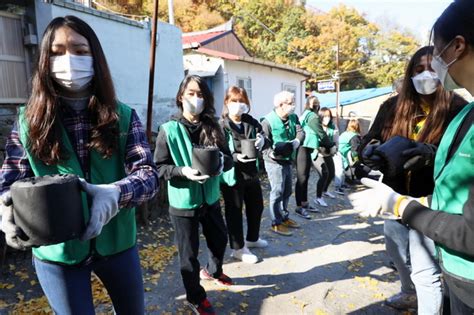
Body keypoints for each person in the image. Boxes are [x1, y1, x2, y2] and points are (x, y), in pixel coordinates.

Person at [0, 16, 159, 314]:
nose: (68, 60)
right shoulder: (27, 122)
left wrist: (117, 191)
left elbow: (149, 175)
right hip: (57, 253)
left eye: (80, 50)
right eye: (57, 52)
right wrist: (4, 208)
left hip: (117, 244)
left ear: (95, 57)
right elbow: (9, 179)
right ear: (44, 61)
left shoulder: (123, 116)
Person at [356, 42, 468, 313]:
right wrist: (366, 151)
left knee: (424, 270)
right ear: (409, 74)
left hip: (430, 201)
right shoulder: (392, 106)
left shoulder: (458, 108)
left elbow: (460, 160)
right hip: (392, 196)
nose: (425, 74)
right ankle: (409, 293)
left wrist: (430, 153)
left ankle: (427, 301)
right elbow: (367, 140)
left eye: (431, 68)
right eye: (418, 69)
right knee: (395, 251)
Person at [154, 75, 234, 315]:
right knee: (188, 257)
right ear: (181, 97)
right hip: (183, 203)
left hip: (210, 198)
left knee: (220, 240)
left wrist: (221, 164)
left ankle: (212, 270)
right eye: (191, 93)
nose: (195, 99)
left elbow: (227, 158)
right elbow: (159, 167)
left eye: (200, 94)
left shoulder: (213, 126)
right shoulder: (168, 130)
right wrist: (182, 172)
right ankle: (195, 297)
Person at [219, 86, 270, 264]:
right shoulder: (222, 125)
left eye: (242, 101)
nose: (238, 105)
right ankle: (238, 248)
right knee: (234, 211)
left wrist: (263, 140)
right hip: (232, 174)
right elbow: (218, 151)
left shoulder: (251, 121)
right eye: (234, 101)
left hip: (251, 173)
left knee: (256, 207)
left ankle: (252, 238)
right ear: (227, 102)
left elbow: (265, 139)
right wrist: (234, 156)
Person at [261, 91, 305, 236]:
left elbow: (300, 132)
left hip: (287, 159)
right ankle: (276, 222)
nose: (293, 106)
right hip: (274, 162)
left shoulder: (293, 117)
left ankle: (284, 217)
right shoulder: (267, 121)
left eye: (293, 102)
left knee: (287, 190)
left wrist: (297, 142)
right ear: (280, 105)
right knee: (277, 191)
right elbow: (263, 144)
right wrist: (271, 153)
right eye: (291, 103)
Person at [295, 96, 333, 216]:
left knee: (305, 176)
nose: (317, 105)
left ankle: (304, 203)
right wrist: (331, 145)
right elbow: (321, 133)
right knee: (302, 177)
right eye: (315, 103)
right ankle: (299, 207)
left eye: (317, 103)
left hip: (307, 147)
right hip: (302, 147)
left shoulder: (307, 114)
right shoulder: (312, 116)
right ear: (310, 105)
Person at [314, 107, 338, 207]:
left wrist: (335, 147)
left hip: (328, 153)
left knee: (331, 173)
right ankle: (318, 198)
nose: (327, 118)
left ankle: (325, 190)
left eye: (328, 116)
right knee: (324, 173)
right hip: (318, 153)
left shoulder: (332, 127)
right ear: (320, 116)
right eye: (325, 116)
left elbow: (336, 139)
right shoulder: (317, 126)